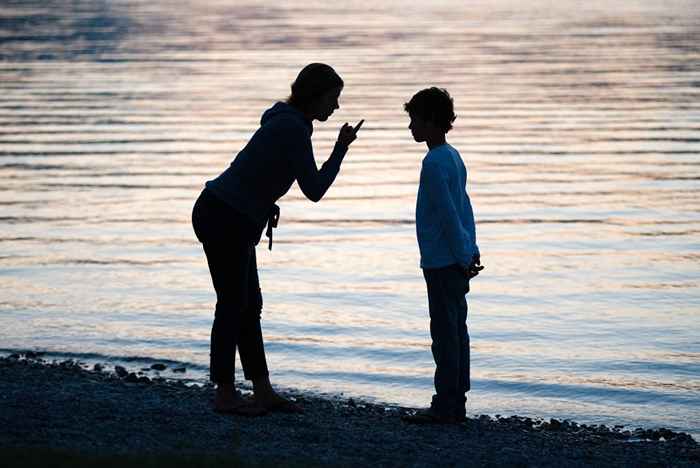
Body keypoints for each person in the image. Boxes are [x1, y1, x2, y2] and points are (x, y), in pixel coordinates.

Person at [192, 63, 364, 415]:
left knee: (248, 305)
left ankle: (263, 390)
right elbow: (314, 189)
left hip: (231, 216)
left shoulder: (285, 120)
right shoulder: (292, 129)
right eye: (333, 98)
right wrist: (341, 149)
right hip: (224, 216)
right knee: (232, 305)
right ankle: (225, 394)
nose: (336, 107)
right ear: (315, 96)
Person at [401, 87, 483, 424]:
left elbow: (451, 213)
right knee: (456, 330)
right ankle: (456, 399)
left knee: (445, 334)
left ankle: (446, 403)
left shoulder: (434, 162)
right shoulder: (452, 156)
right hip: (455, 257)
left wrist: (464, 253)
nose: (410, 128)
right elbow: (466, 209)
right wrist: (471, 248)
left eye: (414, 120)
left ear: (431, 120)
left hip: (442, 260)